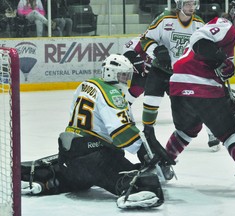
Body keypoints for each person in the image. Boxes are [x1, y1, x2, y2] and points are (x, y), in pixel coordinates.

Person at [20, 54, 176, 209]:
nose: (125, 80)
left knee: (79, 177)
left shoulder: (86, 85)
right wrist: (144, 150)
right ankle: (134, 189)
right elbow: (121, 131)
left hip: (68, 156)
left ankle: (47, 180)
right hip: (94, 159)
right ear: (110, 73)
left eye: (127, 76)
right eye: (122, 75)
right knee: (144, 182)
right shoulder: (112, 93)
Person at [165, 0, 235, 191]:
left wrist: (226, 95)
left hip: (179, 84)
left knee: (186, 130)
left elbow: (218, 71)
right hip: (199, 83)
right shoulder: (225, 25)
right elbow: (199, 41)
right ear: (234, 12)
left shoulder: (228, 35)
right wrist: (222, 61)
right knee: (229, 131)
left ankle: (161, 165)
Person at [126, 0, 221, 151]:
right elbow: (145, 39)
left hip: (180, 74)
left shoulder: (199, 24)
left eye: (193, 4)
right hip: (159, 69)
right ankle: (148, 133)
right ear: (179, 4)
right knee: (150, 102)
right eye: (188, 4)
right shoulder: (165, 19)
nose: (191, 8)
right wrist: (156, 51)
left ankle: (212, 133)